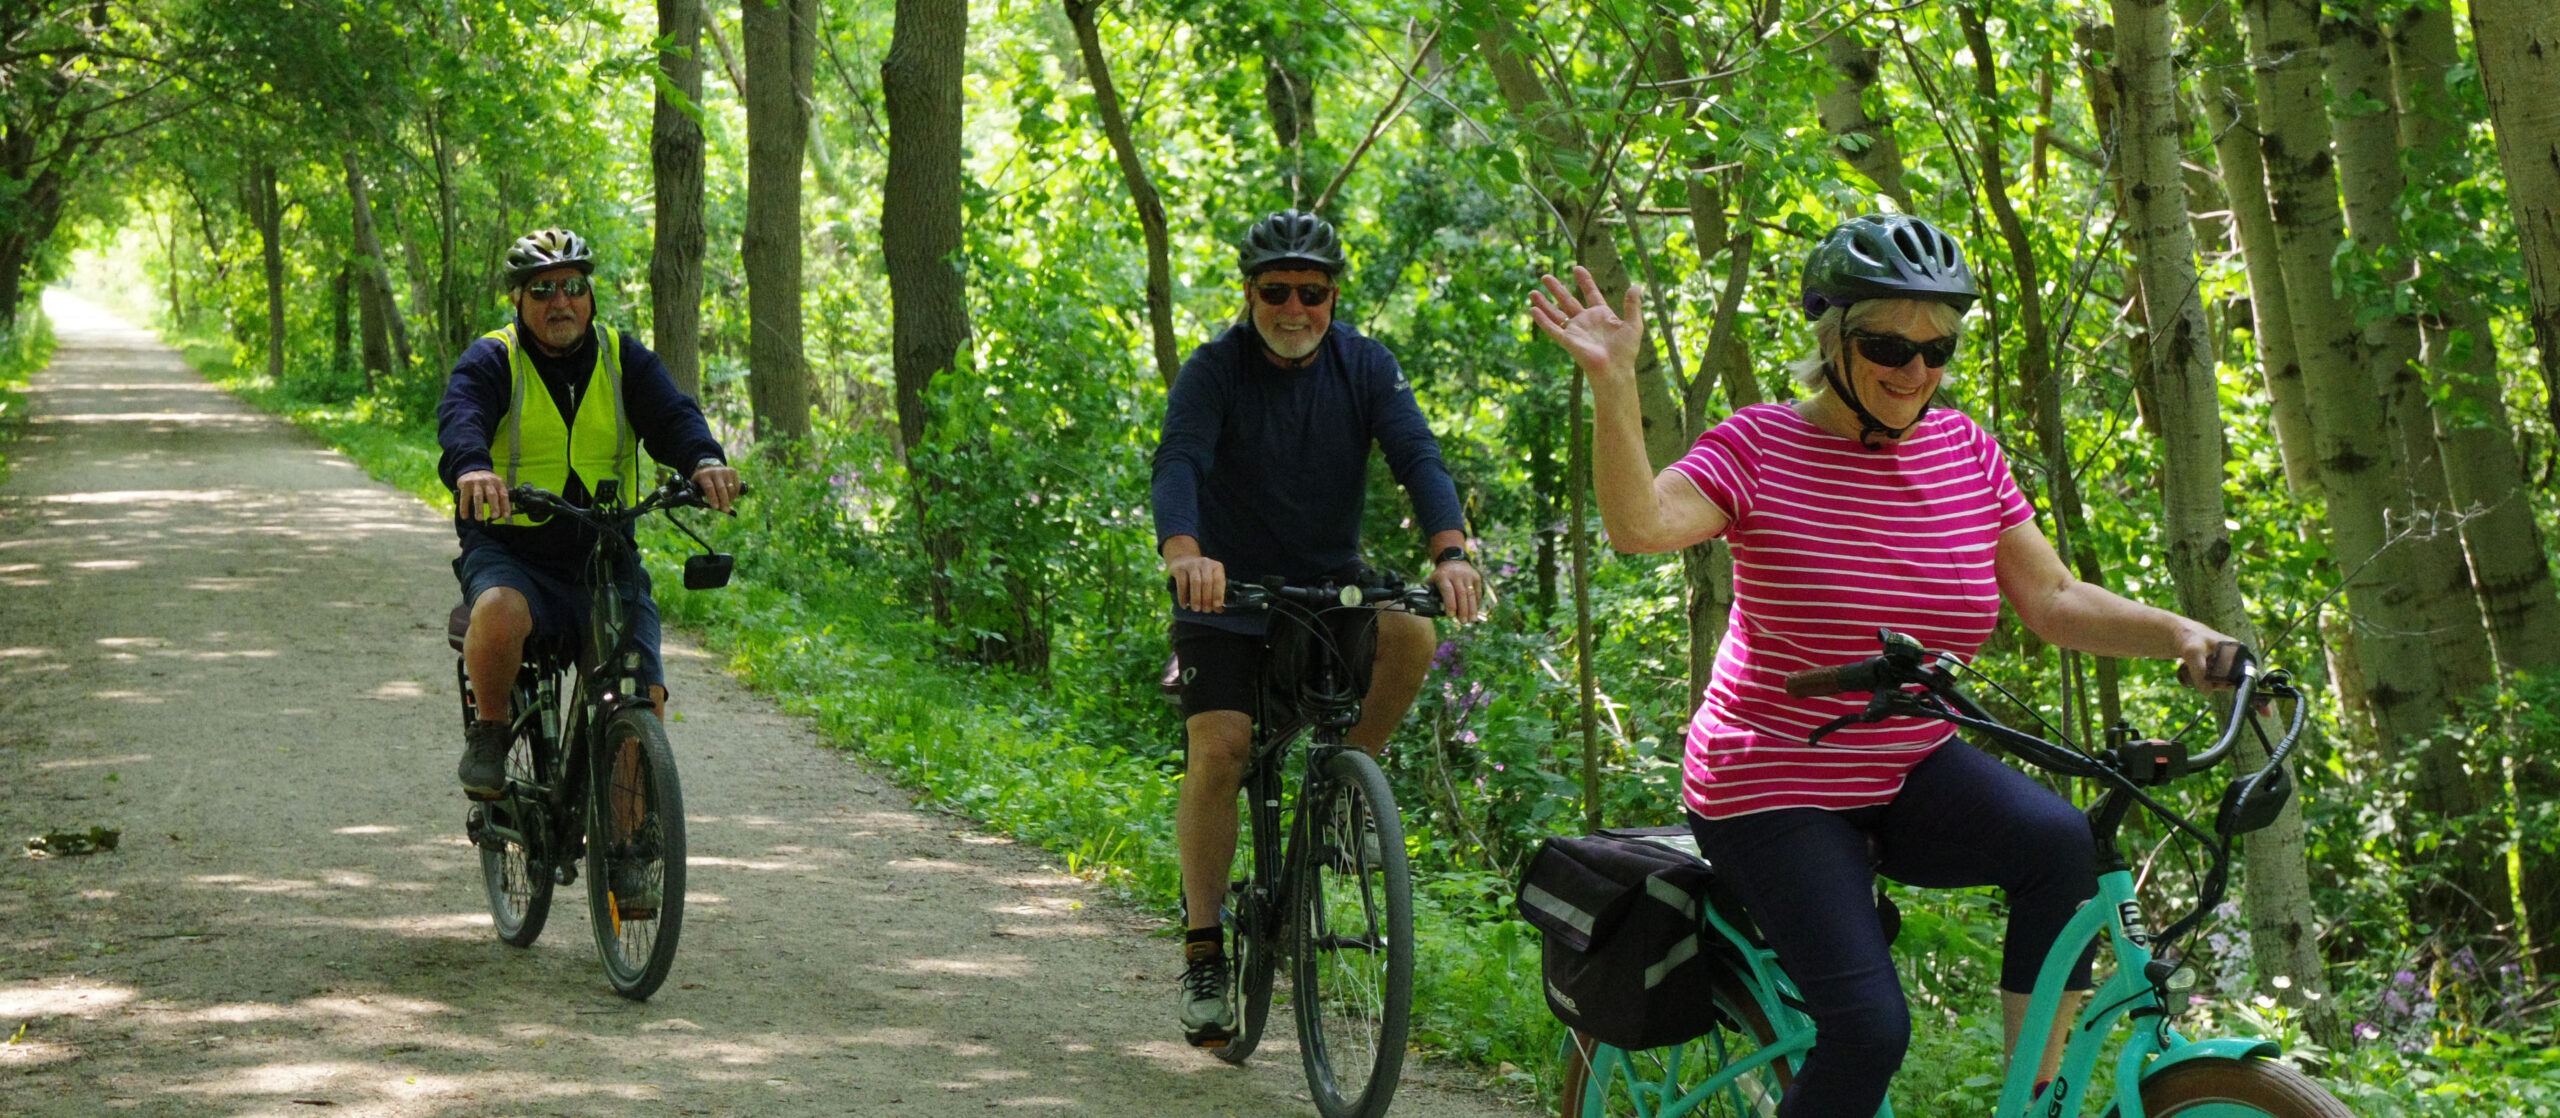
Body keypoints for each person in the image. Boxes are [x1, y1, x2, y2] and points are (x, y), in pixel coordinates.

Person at [1527, 213, 2244, 1115]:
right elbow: (1640, 526)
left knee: (2060, 847)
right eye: (1887, 346)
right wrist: (1614, 383)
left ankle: (2034, 1100)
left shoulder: (1965, 452)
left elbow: (2055, 600)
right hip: (1773, 775)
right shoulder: (1757, 447)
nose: (1915, 372)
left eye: (1937, 349)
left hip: (1905, 759)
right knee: (1868, 1030)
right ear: (1832, 339)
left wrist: (2181, 633)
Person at [1151, 209, 1486, 1048]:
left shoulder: (1365, 365)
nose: (1293, 308)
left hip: (1326, 586)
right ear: (1250, 294)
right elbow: (1181, 458)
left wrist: (1450, 550)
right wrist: (1186, 553)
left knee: (1409, 628)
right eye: (1275, 291)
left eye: (1311, 291)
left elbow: (1417, 455)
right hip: (1225, 595)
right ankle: (1203, 950)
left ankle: (1346, 792)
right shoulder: (1214, 371)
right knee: (1222, 748)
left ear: (1333, 296)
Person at [437, 227, 741, 814]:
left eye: (573, 287)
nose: (560, 302)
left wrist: (704, 459)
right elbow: (462, 415)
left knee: (639, 696)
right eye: (543, 289)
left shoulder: (623, 356)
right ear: (520, 301)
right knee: (499, 608)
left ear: (590, 295)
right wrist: (474, 468)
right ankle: (491, 732)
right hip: (513, 548)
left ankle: (630, 864)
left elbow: (673, 415)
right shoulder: (494, 359)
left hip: (605, 555)